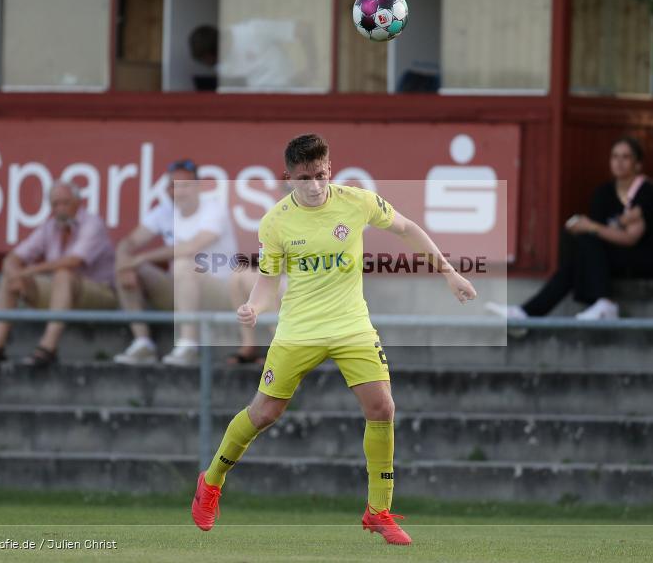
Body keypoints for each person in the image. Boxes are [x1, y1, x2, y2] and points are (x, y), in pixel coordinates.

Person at [190, 134, 477, 545]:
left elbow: (408, 229)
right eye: (304, 177)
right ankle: (211, 481)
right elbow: (269, 281)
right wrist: (254, 306)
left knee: (382, 407)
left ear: (331, 169)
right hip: (299, 328)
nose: (314, 185)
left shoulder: (357, 201)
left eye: (320, 175)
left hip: (351, 325)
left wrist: (449, 272)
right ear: (287, 177)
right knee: (266, 412)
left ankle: (379, 511)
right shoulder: (275, 221)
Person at [486, 137, 653, 321]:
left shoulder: (646, 192)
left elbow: (630, 239)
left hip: (643, 258)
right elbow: (599, 234)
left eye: (626, 157)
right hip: (613, 257)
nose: (619, 162)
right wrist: (584, 228)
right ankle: (526, 313)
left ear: (637, 164)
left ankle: (605, 303)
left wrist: (592, 227)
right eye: (615, 157)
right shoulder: (603, 192)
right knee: (578, 245)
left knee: (586, 241)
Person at [0, 181, 117, 367]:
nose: (60, 208)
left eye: (65, 202)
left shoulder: (92, 223)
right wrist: (13, 273)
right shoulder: (49, 227)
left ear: (78, 202)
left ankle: (48, 348)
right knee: (11, 279)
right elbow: (14, 256)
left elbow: (73, 261)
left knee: (63, 274)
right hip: (62, 294)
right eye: (56, 204)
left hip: (101, 293)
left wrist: (29, 270)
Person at [113, 160, 238, 366]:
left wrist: (141, 258)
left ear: (198, 187)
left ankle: (188, 345)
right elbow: (129, 241)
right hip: (182, 291)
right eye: (173, 185)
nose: (178, 191)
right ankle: (143, 343)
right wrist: (124, 262)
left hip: (220, 293)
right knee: (128, 271)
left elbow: (191, 248)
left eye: (185, 185)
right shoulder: (163, 212)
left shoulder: (214, 209)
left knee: (184, 264)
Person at [189, 20, 317, 91]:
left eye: (214, 60)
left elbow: (304, 30)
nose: (217, 65)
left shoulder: (253, 31)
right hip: (261, 104)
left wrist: (312, 68)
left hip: (293, 91)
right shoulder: (221, 67)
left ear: (218, 47)